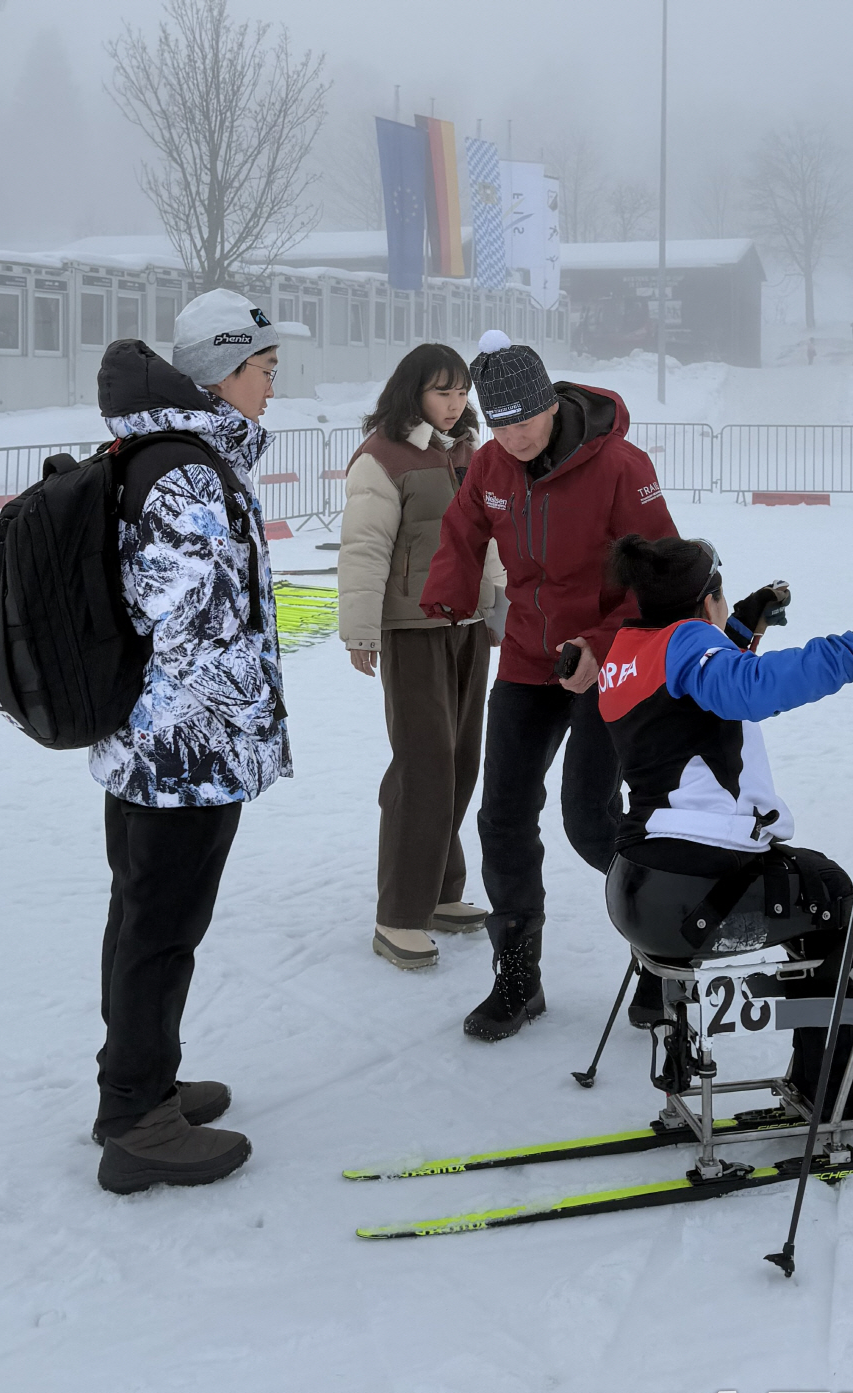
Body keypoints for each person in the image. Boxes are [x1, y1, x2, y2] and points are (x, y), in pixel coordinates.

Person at [598, 534, 853, 1124]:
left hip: (639, 886)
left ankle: (817, 1064)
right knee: (829, 893)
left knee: (806, 880)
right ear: (705, 602)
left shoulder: (629, 649)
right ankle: (834, 1082)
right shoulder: (690, 645)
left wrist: (743, 627)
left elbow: (686, 697)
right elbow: (750, 687)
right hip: (699, 888)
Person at [421, 331, 679, 1040]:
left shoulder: (623, 468)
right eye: (498, 424)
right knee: (501, 817)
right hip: (532, 661)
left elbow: (664, 574)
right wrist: (445, 593)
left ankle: (665, 953)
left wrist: (600, 644)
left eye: (524, 421)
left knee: (591, 819)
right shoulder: (493, 465)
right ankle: (518, 978)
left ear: (550, 406)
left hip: (610, 658)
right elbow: (464, 526)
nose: (513, 436)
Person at [89, 289, 289, 1194]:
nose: (271, 387)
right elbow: (194, 626)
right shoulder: (185, 472)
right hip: (182, 752)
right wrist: (244, 726)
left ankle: (140, 1085)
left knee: (142, 920)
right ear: (220, 372)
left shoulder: (166, 455)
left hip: (153, 743)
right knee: (159, 931)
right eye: (263, 369)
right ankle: (138, 1123)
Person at [338, 344, 506, 969]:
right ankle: (399, 914)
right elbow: (363, 548)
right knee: (423, 765)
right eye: (443, 391)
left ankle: (438, 891)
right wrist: (360, 631)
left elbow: (487, 539)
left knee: (461, 760)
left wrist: (497, 607)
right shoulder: (381, 458)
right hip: (411, 628)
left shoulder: (469, 453)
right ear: (413, 392)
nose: (456, 402)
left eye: (462, 391)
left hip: (466, 626)